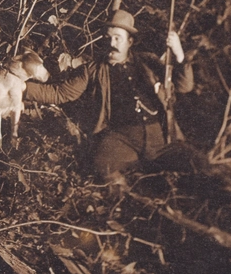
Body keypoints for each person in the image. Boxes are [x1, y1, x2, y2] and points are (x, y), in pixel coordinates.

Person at [25, 9, 194, 181]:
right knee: (102, 165)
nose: (112, 43)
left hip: (160, 136)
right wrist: (20, 88)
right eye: (108, 38)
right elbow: (60, 93)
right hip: (122, 138)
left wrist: (179, 53)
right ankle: (126, 197)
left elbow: (184, 86)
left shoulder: (147, 61)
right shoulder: (93, 69)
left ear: (130, 41)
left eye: (117, 38)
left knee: (193, 164)